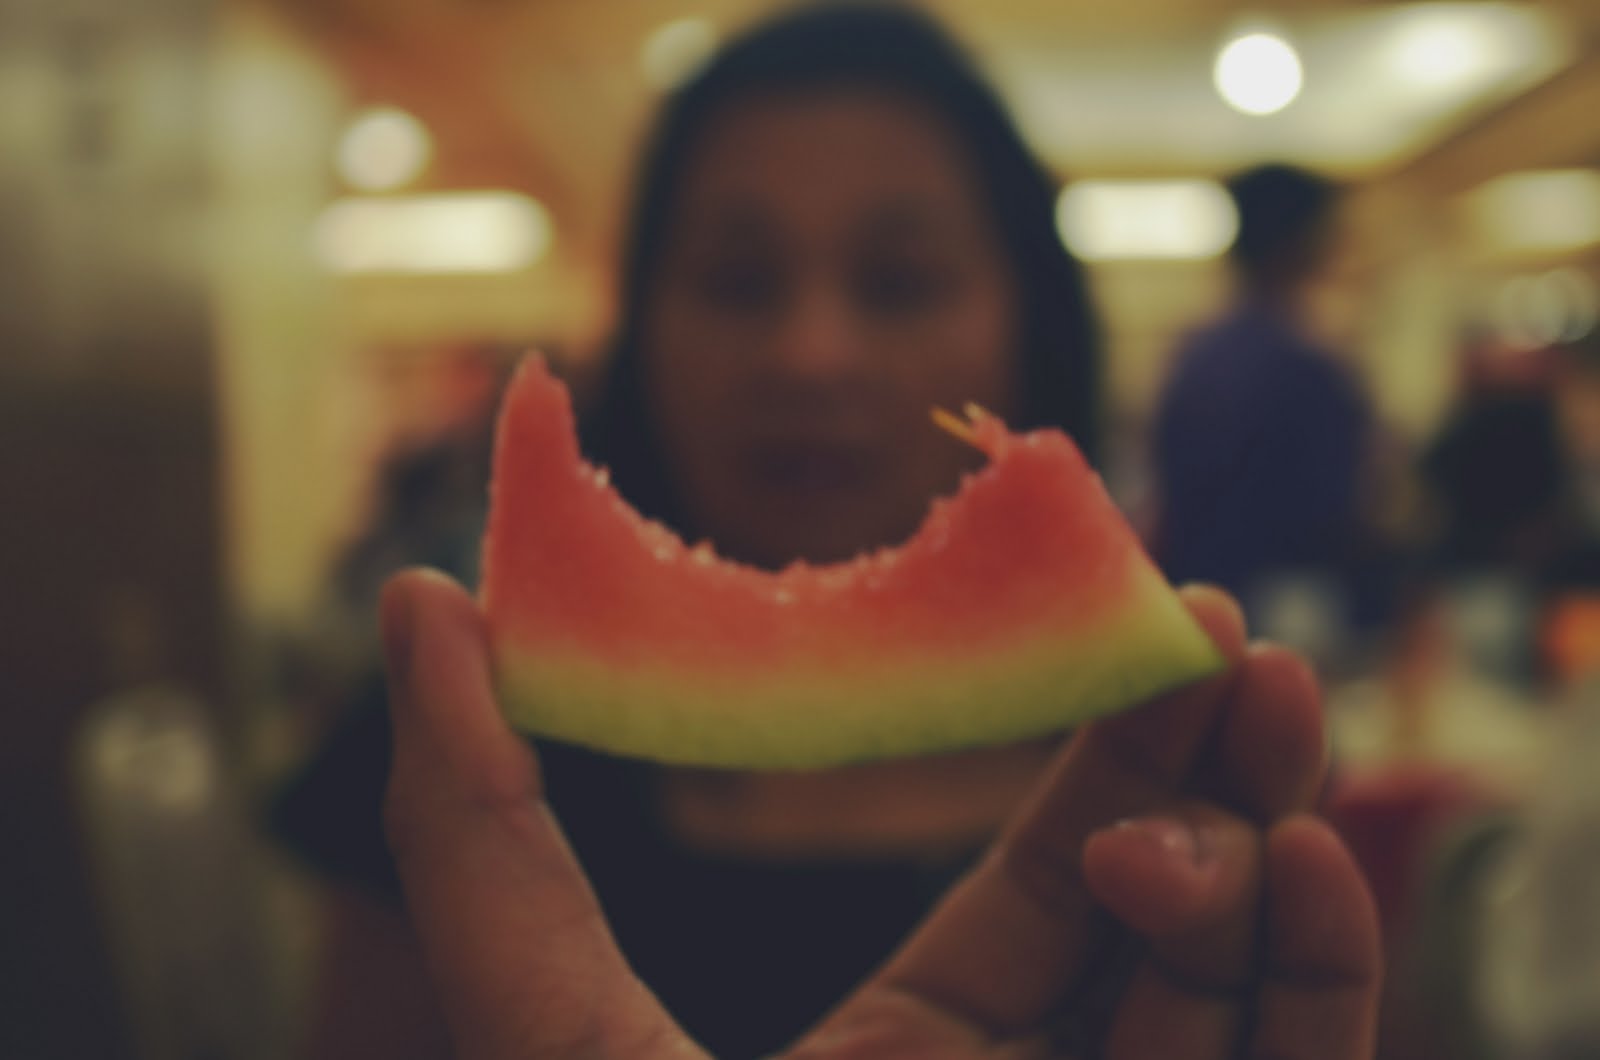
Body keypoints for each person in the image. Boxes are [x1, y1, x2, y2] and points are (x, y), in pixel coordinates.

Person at [272, 7, 1381, 1058]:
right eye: (738, 281)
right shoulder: (446, 748)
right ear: (642, 324)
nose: (811, 353)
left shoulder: (1190, 765)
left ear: (1028, 321)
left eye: (899, 284)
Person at [1149, 163, 1380, 635]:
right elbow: (1338, 506)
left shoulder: (1193, 358)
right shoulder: (1309, 369)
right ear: (1301, 243)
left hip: (1194, 594)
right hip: (1291, 604)